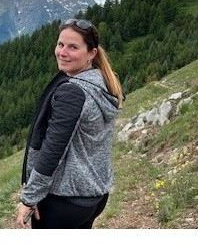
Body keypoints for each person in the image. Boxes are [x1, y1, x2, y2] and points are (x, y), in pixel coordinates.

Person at [15, 18, 124, 229]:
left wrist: (29, 198)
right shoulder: (101, 82)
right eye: (60, 44)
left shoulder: (72, 92)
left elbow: (53, 149)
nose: (62, 52)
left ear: (91, 53)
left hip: (64, 200)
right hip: (94, 195)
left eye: (73, 47)